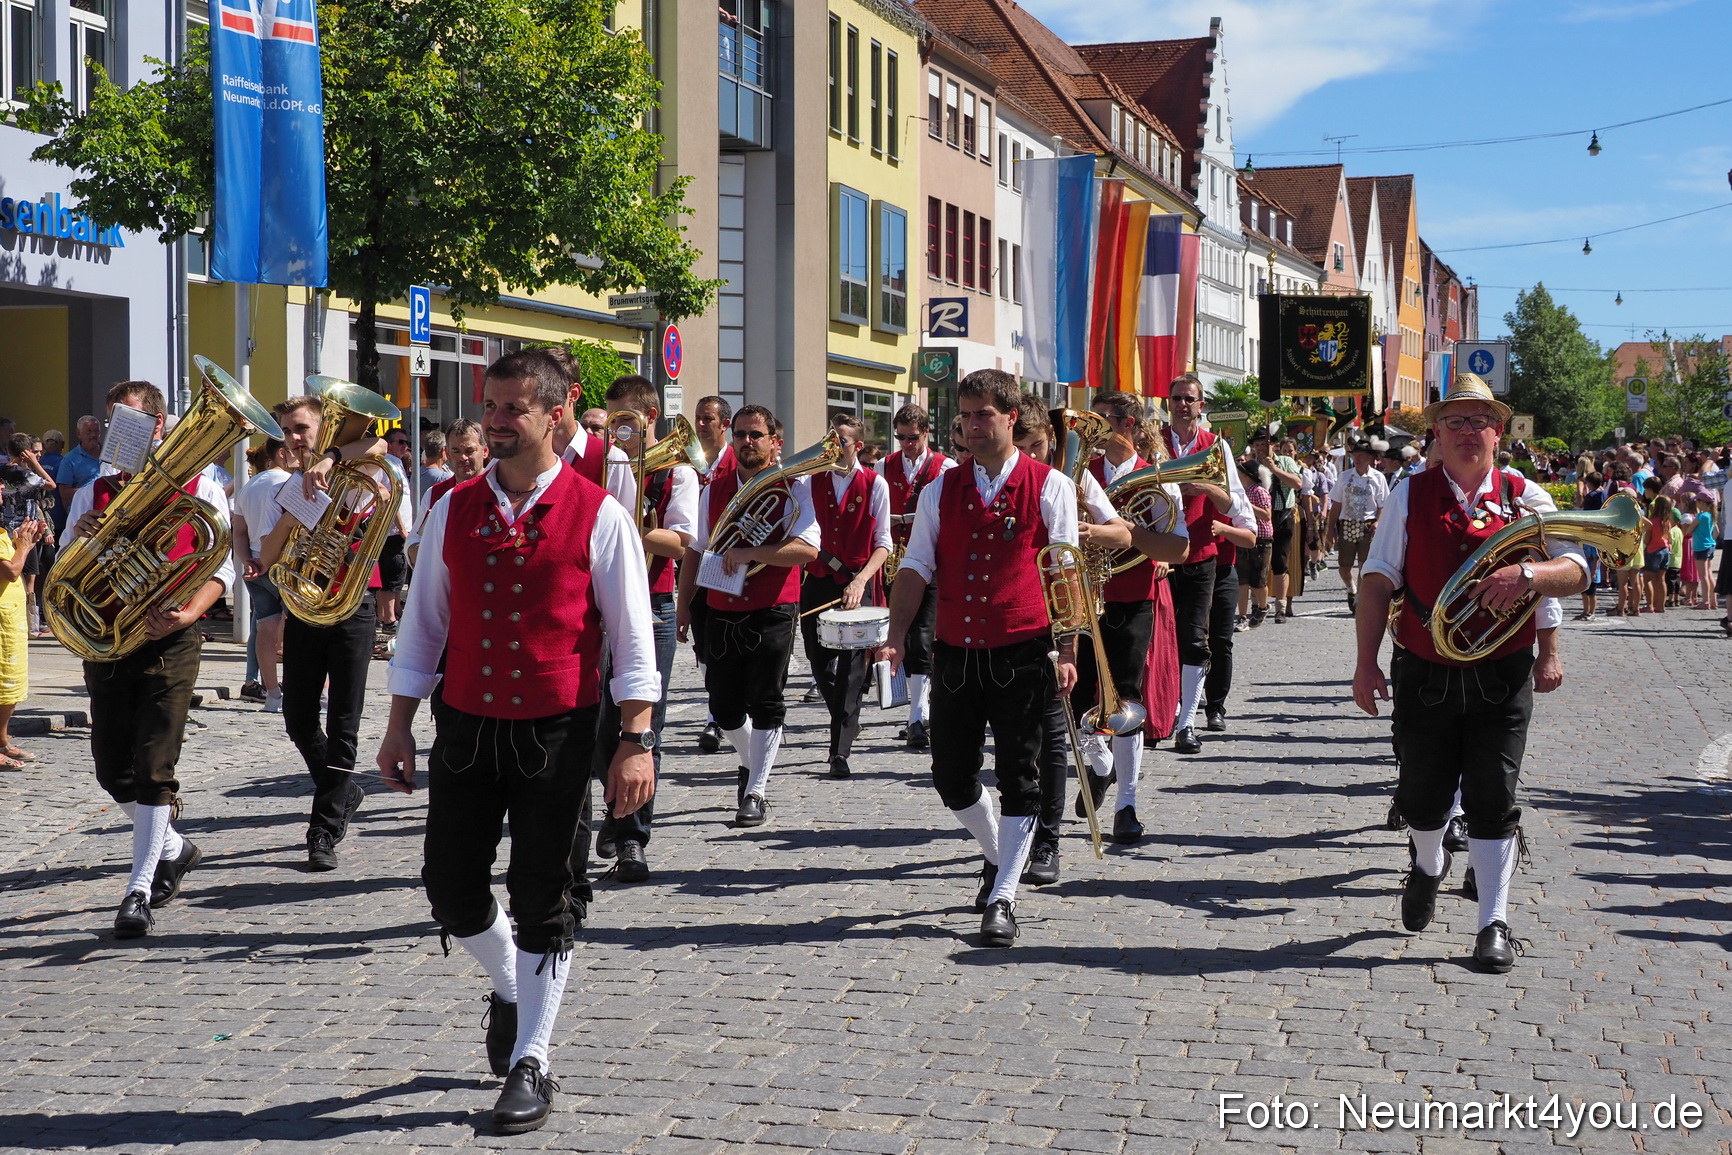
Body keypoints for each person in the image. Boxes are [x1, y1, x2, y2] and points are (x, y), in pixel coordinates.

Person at [376, 349, 657, 1135]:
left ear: (557, 411)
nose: (496, 423)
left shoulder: (599, 514)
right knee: (450, 887)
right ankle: (511, 983)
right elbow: (424, 625)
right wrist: (398, 723)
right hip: (464, 723)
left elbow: (634, 644)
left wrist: (635, 741)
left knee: (545, 894)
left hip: (560, 729)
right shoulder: (451, 507)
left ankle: (532, 1055)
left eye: (512, 410)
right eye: (490, 408)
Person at [1353, 372, 1587, 974]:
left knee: (1492, 797)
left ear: (1498, 430)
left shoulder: (1524, 493)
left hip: (1500, 673)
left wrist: (1529, 582)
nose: (1466, 431)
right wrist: (1364, 664)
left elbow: (1576, 571)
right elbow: (1378, 579)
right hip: (1425, 670)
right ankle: (1428, 865)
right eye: (1454, 421)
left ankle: (1494, 922)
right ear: (1436, 431)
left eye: (1478, 420)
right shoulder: (1411, 492)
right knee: (1422, 799)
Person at [884, 370, 1079, 947]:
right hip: (955, 651)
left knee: (1021, 778)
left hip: (1024, 649)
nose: (971, 426)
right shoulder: (941, 488)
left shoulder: (1050, 486)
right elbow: (916, 565)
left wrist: (1067, 649)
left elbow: (1064, 573)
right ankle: (1000, 857)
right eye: (965, 416)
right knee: (951, 777)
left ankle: (1003, 898)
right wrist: (895, 634)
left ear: (1011, 417)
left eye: (982, 415)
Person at [64, 380, 229, 938]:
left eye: (130, 422)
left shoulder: (202, 484)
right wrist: (82, 540)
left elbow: (223, 566)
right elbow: (65, 571)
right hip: (109, 639)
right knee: (114, 772)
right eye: (113, 422)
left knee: (155, 766)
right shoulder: (94, 491)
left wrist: (189, 615)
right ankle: (176, 848)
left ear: (159, 426)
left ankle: (138, 890)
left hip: (170, 639)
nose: (117, 432)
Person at [258, 395, 393, 872]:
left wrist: (333, 459)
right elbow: (270, 556)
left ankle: (323, 829)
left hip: (351, 607)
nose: (294, 439)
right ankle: (342, 789)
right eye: (288, 431)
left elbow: (378, 444)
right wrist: (295, 515)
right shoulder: (290, 484)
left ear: (325, 430)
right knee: (297, 718)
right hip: (305, 609)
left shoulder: (360, 474)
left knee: (343, 725)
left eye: (302, 428)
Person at [675, 403, 819, 827]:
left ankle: (755, 790)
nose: (747, 442)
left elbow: (807, 549)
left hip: (774, 605)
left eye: (756, 435)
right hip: (720, 604)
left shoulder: (796, 487)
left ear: (776, 443)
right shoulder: (714, 489)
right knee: (723, 707)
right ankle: (751, 762)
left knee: (766, 701)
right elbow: (696, 551)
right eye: (740, 434)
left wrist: (749, 553)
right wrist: (684, 607)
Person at [585, 375, 697, 883]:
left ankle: (632, 837)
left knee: (645, 721)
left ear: (648, 417)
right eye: (611, 420)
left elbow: (681, 543)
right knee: (597, 719)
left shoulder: (678, 470)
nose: (615, 430)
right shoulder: (602, 465)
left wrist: (625, 525)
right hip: (596, 601)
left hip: (653, 601)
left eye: (624, 419)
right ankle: (612, 808)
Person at [1073, 391, 1188, 845]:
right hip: (1081, 598)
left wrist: (1123, 533)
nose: (1089, 431)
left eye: (1098, 421)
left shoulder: (1157, 480)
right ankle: (1099, 764)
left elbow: (1178, 548)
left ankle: (1127, 805)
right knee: (1079, 698)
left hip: (1132, 598)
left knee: (1126, 701)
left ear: (1128, 423)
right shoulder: (1080, 474)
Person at [800, 414, 891, 778]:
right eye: (830, 440)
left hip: (858, 579)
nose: (833, 447)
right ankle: (847, 718)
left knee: (853, 667)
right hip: (819, 579)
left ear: (857, 446)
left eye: (841, 441)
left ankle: (839, 751)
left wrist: (861, 582)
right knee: (819, 662)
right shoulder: (809, 481)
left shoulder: (876, 484)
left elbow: (883, 543)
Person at [1160, 375, 1236, 755]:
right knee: (1160, 641)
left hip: (1201, 556)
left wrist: (1205, 487)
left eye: (1189, 399)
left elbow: (1233, 505)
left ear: (1201, 405)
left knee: (1194, 640)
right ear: (1168, 402)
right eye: (1177, 399)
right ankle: (1165, 711)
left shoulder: (1217, 448)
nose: (1182, 405)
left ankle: (1187, 723)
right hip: (1157, 555)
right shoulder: (1153, 442)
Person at [875, 403, 955, 750]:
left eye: (912, 438)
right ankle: (903, 703)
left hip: (930, 560)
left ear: (926, 433)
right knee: (896, 634)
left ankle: (917, 716)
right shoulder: (883, 466)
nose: (906, 444)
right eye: (900, 438)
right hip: (895, 560)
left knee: (923, 636)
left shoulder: (945, 467)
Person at [231, 437, 295, 711]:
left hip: (255, 564)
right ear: (282, 454)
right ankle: (314, 693)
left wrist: (248, 561)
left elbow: (239, 532)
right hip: (283, 564)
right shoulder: (286, 482)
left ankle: (272, 695)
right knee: (301, 630)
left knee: (265, 629)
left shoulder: (247, 488)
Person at [687, 395, 736, 754]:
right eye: (698, 418)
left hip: (733, 567)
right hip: (699, 565)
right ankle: (715, 711)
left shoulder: (737, 465)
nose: (701, 425)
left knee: (727, 652)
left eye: (708, 419)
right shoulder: (689, 464)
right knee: (704, 649)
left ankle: (718, 717)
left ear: (725, 425)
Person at [408, 418, 490, 564]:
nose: (463, 457)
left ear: (485, 451)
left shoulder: (500, 490)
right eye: (456, 451)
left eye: (469, 451)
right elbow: (413, 542)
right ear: (447, 453)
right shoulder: (434, 494)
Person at [1, 435, 57, 637]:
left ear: (8, 450)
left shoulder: (2, 471)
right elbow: (51, 485)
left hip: (5, 531)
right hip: (27, 530)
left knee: (8, 574)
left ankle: (13, 618)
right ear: (27, 454)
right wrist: (34, 464)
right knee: (30, 576)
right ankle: (30, 623)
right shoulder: (25, 474)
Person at [0, 515, 44, 769]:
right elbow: (12, 570)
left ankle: (2, 740)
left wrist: (26, 541)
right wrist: (24, 547)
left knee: (10, 684)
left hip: (10, 621)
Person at [1328, 437, 1390, 613]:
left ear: (1370, 457)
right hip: (1347, 523)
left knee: (1364, 565)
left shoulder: (1378, 478)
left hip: (1368, 525)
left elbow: (1383, 505)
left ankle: (1360, 599)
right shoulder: (1344, 477)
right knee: (1344, 567)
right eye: (1355, 454)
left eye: (1361, 455)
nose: (1357, 458)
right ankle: (1351, 588)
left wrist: (1378, 521)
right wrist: (1330, 528)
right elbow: (1337, 504)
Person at [1254, 430, 1304, 620]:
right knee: (1258, 562)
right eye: (1257, 444)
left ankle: (1280, 608)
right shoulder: (1252, 465)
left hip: (1283, 515)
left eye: (1264, 444)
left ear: (1272, 445)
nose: (1260, 448)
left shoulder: (1286, 461)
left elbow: (1297, 484)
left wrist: (1275, 470)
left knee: (1280, 561)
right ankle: (1258, 604)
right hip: (1260, 517)